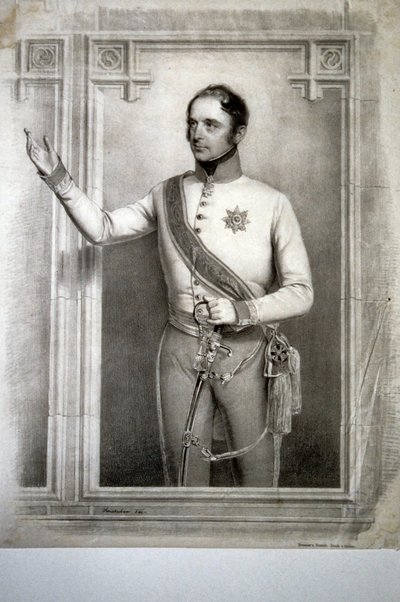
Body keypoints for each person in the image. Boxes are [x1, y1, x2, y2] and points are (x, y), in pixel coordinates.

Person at [25, 84, 313, 488]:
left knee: (257, 480)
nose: (197, 134)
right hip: (179, 351)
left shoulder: (272, 202)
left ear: (239, 133)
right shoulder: (166, 194)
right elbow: (104, 229)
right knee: (183, 478)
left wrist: (241, 310)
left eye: (211, 125)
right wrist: (58, 177)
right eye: (192, 123)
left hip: (246, 354)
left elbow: (302, 292)